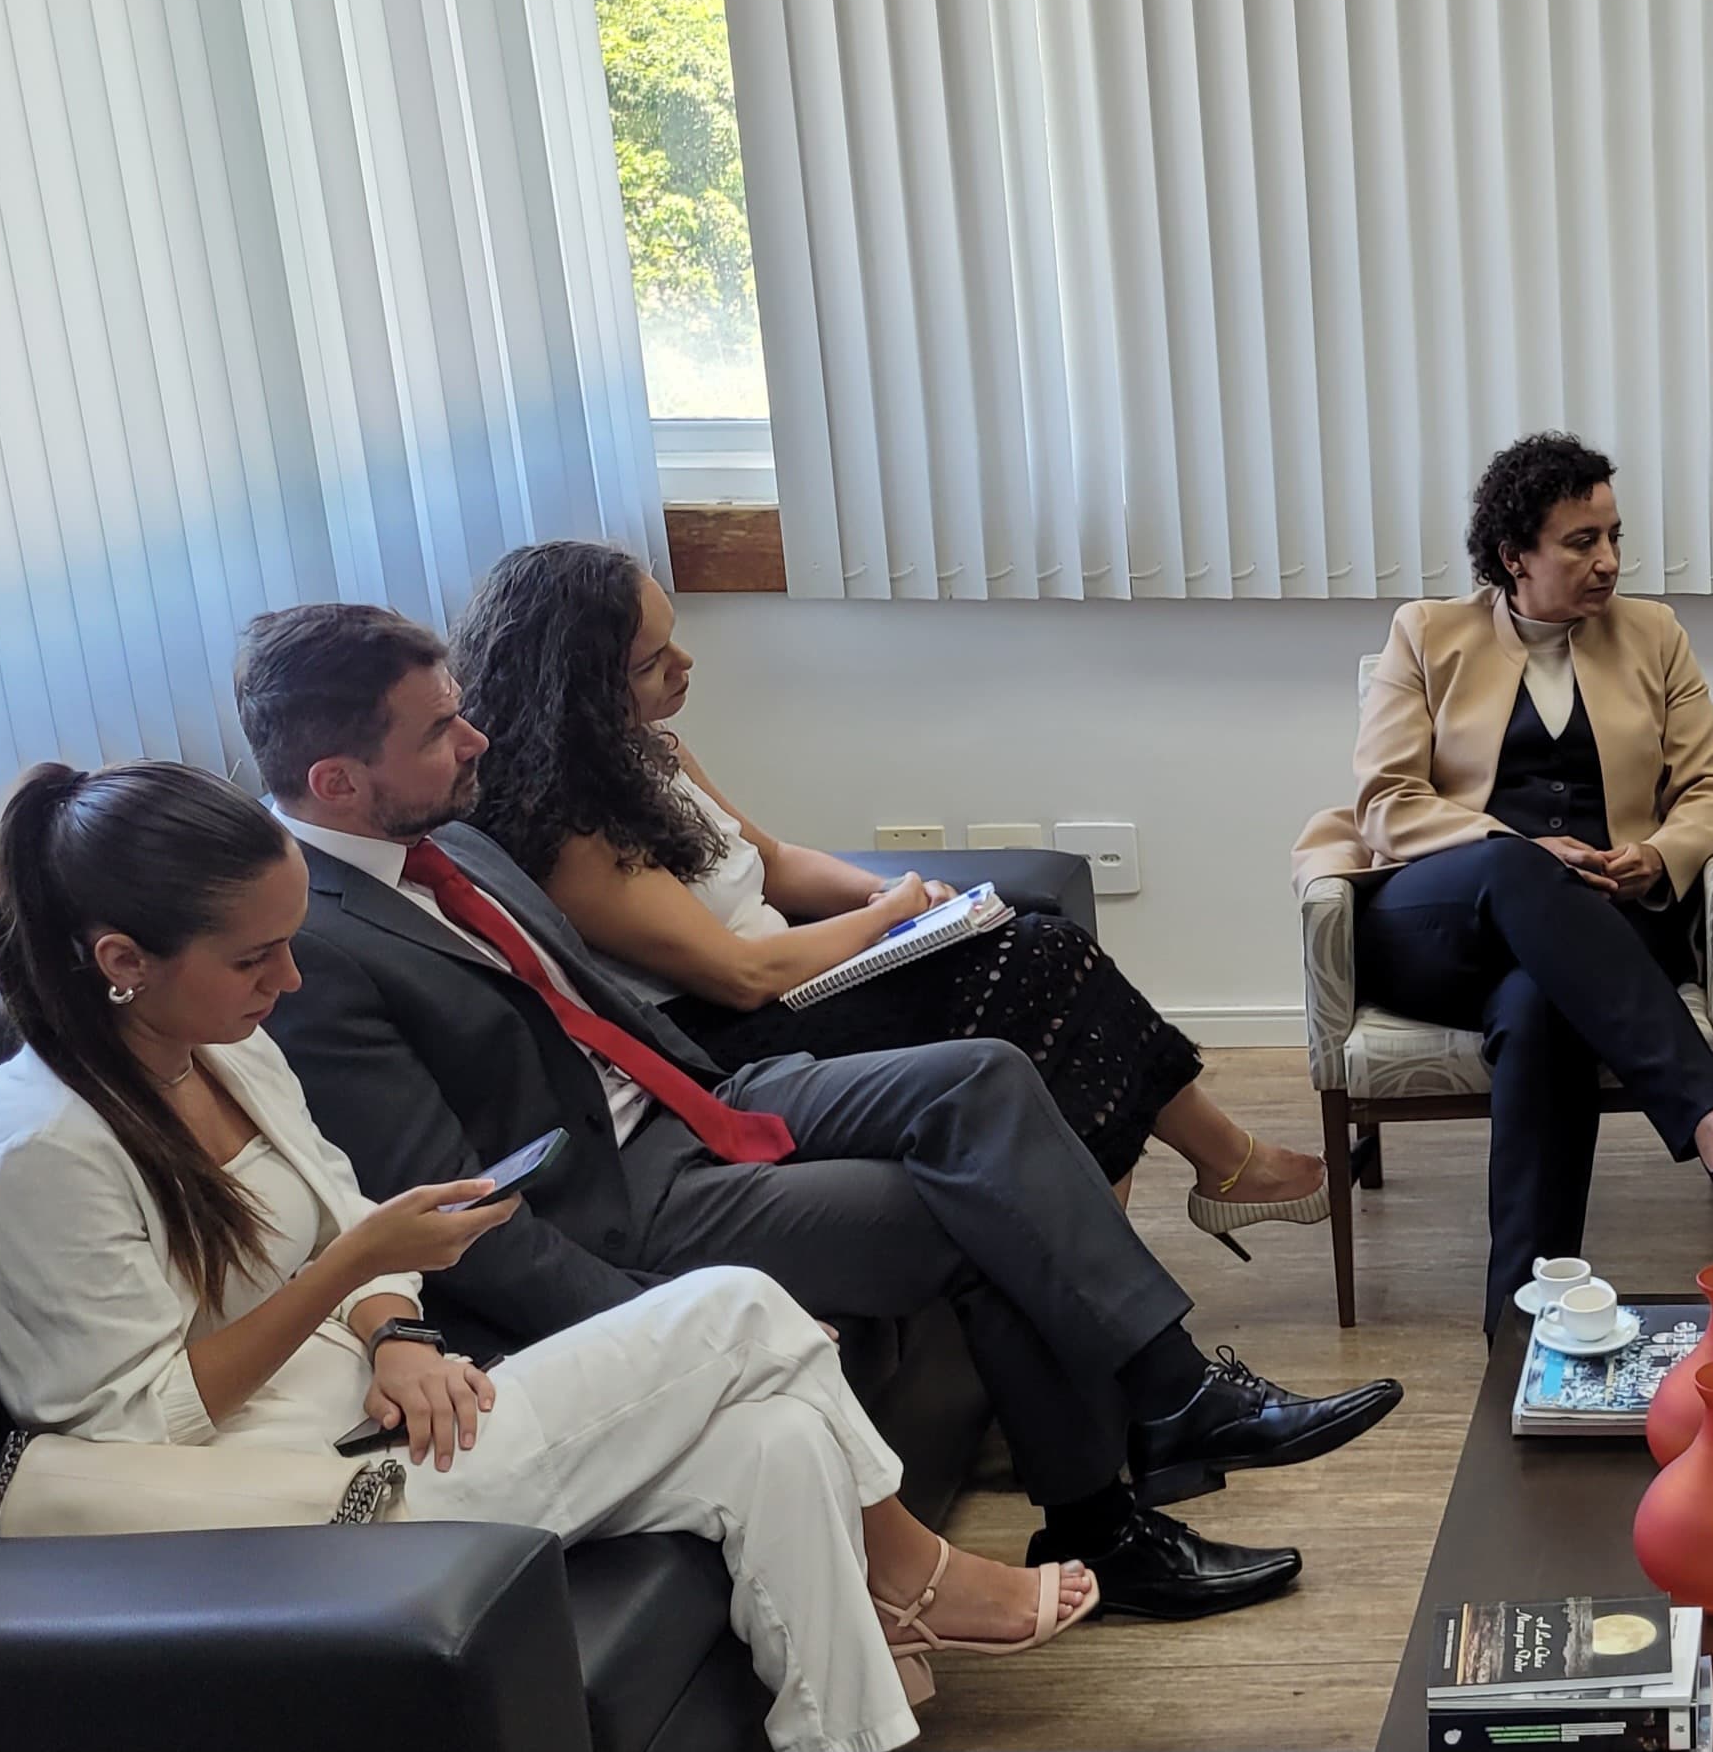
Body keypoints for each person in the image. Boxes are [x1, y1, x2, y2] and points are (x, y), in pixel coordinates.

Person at [238, 604, 1399, 1624]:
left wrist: (735, 1077)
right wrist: (663, 1322)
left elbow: (597, 1008)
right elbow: (452, 1209)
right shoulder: (315, 951)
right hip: (628, 1201)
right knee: (977, 1211)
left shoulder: (453, 837)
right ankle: (1107, 1522)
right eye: (439, 728)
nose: (475, 736)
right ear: (338, 780)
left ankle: (1173, 1389)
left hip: (699, 1094)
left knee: (984, 1071)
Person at [0, 761, 1101, 1752]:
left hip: (393, 1411)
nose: (290, 983)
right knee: (743, 1308)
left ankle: (850, 1733)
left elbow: (343, 1218)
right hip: (300, 1505)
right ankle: (912, 1572)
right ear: (123, 956)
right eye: (258, 956)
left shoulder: (219, 1046)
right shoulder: (41, 1148)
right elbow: (133, 1420)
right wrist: (351, 1268)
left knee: (780, 1436)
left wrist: (395, 1328)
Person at [449, 541, 1331, 1252]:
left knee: (1035, 945)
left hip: (796, 977)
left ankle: (1138, 1226)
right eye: (652, 661)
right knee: (1040, 961)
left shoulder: (653, 753)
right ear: (582, 690)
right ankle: (1194, 1187)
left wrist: (891, 891)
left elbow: (780, 862)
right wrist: (888, 916)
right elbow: (738, 974)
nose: (685, 663)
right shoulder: (564, 828)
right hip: (730, 1036)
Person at [1290, 432, 1713, 1321]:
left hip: (1600, 924)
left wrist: (1657, 856)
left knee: (1540, 1003)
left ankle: (1523, 1321)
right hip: (1439, 918)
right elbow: (1387, 801)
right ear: (1514, 555)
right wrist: (1508, 844)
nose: (1608, 561)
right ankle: (1705, 1111)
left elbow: (1710, 789)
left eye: (1614, 536)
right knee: (1515, 866)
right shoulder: (1427, 632)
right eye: (1580, 541)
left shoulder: (1654, 634)